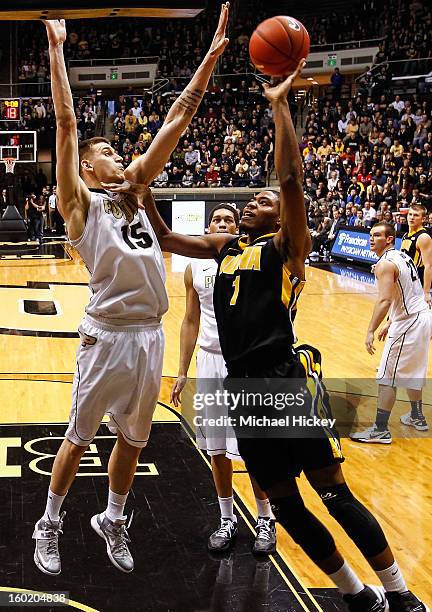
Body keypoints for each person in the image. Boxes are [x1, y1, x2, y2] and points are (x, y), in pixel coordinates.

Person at [112, 62, 427, 612]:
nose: (259, 199)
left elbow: (288, 180)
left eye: (265, 199)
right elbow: (162, 237)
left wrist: (280, 104)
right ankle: (356, 594)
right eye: (251, 199)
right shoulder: (224, 249)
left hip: (285, 381)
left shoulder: (289, 248)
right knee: (285, 504)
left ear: (285, 216)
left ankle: (398, 591)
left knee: (332, 493)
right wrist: (143, 188)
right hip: (243, 389)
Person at [33, 6, 230, 576]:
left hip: (150, 334)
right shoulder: (80, 206)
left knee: (136, 440)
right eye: (109, 155)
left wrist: (210, 60)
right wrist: (57, 49)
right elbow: (67, 123)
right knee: (77, 435)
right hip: (108, 335)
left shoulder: (137, 193)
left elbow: (178, 118)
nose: (120, 157)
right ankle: (51, 520)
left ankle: (114, 518)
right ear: (88, 170)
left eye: (121, 153)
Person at [170, 203, 276, 555]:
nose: (222, 224)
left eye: (228, 220)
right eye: (216, 220)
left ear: (237, 228)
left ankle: (265, 518)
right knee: (217, 449)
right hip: (210, 362)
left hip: (245, 365)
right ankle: (227, 517)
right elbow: (189, 320)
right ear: (207, 226)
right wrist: (183, 372)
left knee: (255, 448)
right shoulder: (195, 268)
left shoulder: (252, 259)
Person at [351, 222, 431, 443]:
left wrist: (370, 330)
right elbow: (404, 292)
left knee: (387, 376)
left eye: (377, 235)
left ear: (389, 239)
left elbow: (385, 300)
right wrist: (390, 322)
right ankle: (417, 416)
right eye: (370, 235)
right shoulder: (402, 256)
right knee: (414, 371)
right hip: (421, 316)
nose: (371, 238)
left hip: (409, 322)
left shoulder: (385, 264)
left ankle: (380, 429)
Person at [400, 204, 432, 307]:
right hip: (405, 280)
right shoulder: (406, 235)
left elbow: (428, 266)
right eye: (410, 214)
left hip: (417, 282)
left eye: (416, 215)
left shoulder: (423, 237)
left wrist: (426, 292)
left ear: (423, 219)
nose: (412, 217)